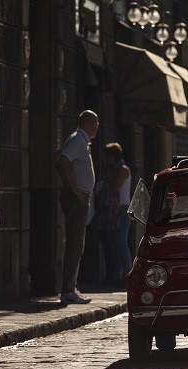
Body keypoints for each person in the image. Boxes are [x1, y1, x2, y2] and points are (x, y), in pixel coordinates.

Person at [56, 110, 98, 304]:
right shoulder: (78, 140)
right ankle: (67, 290)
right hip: (76, 197)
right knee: (75, 243)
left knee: (77, 243)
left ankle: (71, 286)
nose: (97, 127)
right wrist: (73, 187)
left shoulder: (83, 141)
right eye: (95, 123)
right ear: (89, 123)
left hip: (80, 196)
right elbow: (64, 160)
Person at [103, 142, 132, 286]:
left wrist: (108, 176)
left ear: (112, 157)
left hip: (121, 210)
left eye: (107, 158)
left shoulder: (123, 170)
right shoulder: (116, 170)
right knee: (114, 243)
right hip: (114, 210)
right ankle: (117, 274)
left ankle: (128, 274)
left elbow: (116, 187)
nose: (106, 161)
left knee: (121, 243)